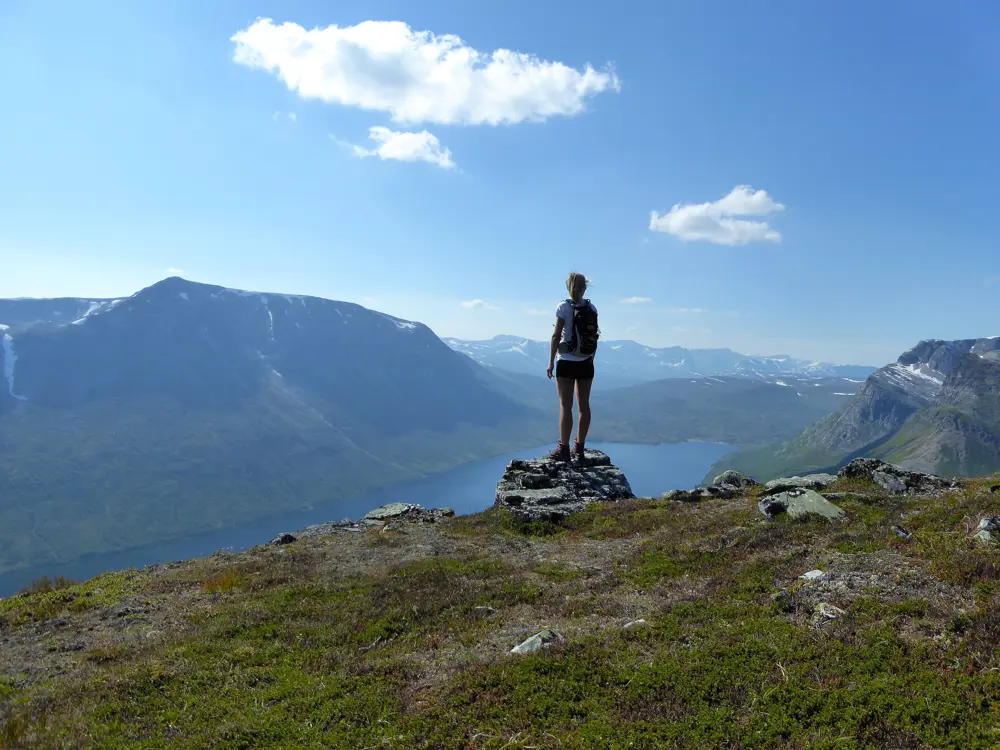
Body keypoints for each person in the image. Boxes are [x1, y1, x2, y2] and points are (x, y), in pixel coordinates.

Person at [546, 272, 598, 461]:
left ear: (568, 286)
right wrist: (590, 358)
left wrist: (551, 361)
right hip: (586, 362)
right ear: (585, 287)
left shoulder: (563, 307)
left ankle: (564, 449)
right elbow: (595, 336)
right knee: (584, 406)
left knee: (565, 406)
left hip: (566, 361)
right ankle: (580, 448)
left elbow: (556, 335)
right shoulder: (591, 308)